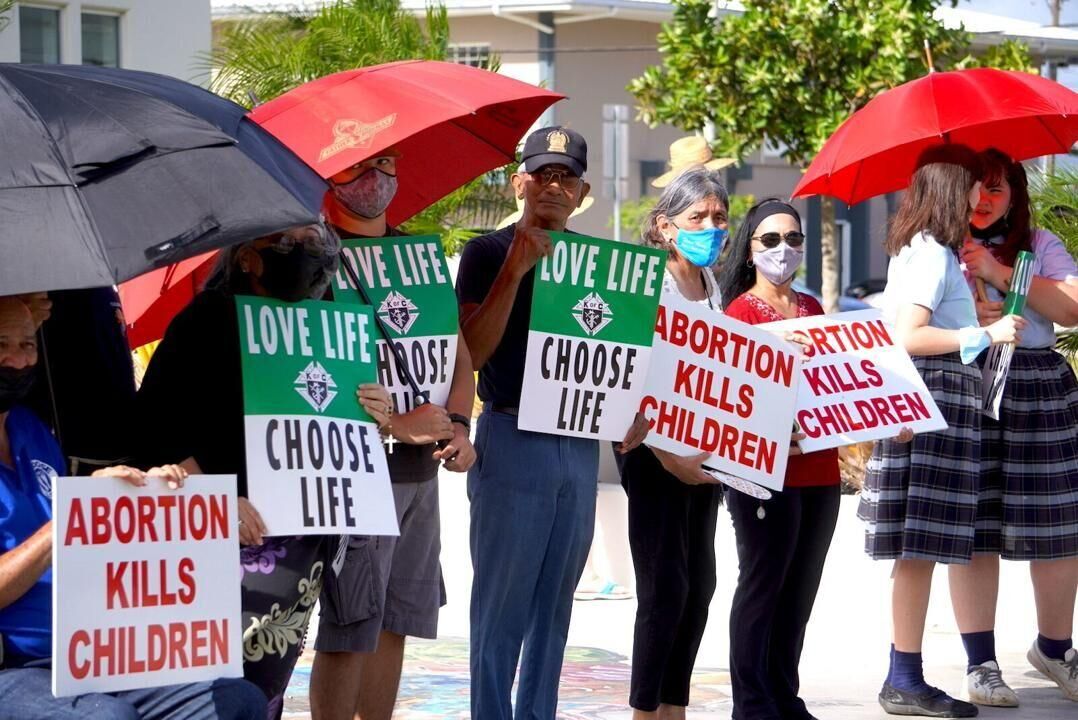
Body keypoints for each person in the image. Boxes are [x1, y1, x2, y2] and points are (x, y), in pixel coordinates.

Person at [135, 224, 396, 719]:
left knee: (264, 691)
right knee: (212, 692)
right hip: (220, 539)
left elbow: (337, 421)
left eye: (314, 240)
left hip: (301, 540)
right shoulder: (205, 322)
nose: (305, 253)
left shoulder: (328, 323)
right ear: (247, 257)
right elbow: (155, 435)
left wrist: (372, 410)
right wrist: (213, 500)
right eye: (288, 243)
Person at [456, 126, 648, 719]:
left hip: (578, 443)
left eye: (566, 177)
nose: (554, 186)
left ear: (583, 192)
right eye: (543, 173)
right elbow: (470, 353)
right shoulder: (487, 253)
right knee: (500, 606)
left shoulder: (600, 264)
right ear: (520, 182)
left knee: (555, 608)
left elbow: (620, 357)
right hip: (512, 437)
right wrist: (514, 272)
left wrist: (631, 408)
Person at [0, 295, 267, 720]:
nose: (17, 360)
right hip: (14, 666)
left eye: (27, 345)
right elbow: (62, 531)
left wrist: (156, 497)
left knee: (238, 699)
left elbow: (90, 544)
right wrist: (69, 520)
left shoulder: (30, 430)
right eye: (2, 345)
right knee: (108, 717)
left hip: (93, 652)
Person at [856, 145, 1025, 719]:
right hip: (934, 402)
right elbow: (909, 334)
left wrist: (975, 322)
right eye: (975, 183)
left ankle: (904, 675)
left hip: (932, 401)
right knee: (919, 550)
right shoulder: (929, 250)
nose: (981, 195)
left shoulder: (927, 248)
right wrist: (983, 334)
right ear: (955, 186)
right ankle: (903, 678)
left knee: (920, 550)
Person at [310, 147, 477, 720]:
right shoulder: (313, 254)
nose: (374, 176)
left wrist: (459, 426)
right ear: (330, 173)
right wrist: (394, 424)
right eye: (357, 163)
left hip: (420, 478)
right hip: (354, 475)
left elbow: (458, 354)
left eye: (385, 161)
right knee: (350, 626)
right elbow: (307, 370)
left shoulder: (418, 257)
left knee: (396, 622)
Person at [949, 148, 1078, 706]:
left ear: (1015, 195)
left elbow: (1072, 308)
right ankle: (980, 663)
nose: (985, 199)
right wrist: (969, 318)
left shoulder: (1039, 244)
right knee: (974, 528)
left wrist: (998, 272)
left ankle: (1055, 648)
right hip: (970, 382)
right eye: (976, 186)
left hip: (1039, 385)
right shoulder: (941, 245)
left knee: (1059, 524)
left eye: (997, 188)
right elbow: (914, 320)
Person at [620, 166, 728, 719]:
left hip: (702, 457)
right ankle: (644, 711)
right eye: (697, 217)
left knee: (698, 588)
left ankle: (673, 707)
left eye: (718, 217)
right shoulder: (646, 284)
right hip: (653, 454)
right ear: (665, 226)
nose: (710, 227)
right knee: (664, 590)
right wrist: (668, 455)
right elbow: (626, 376)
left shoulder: (712, 287)